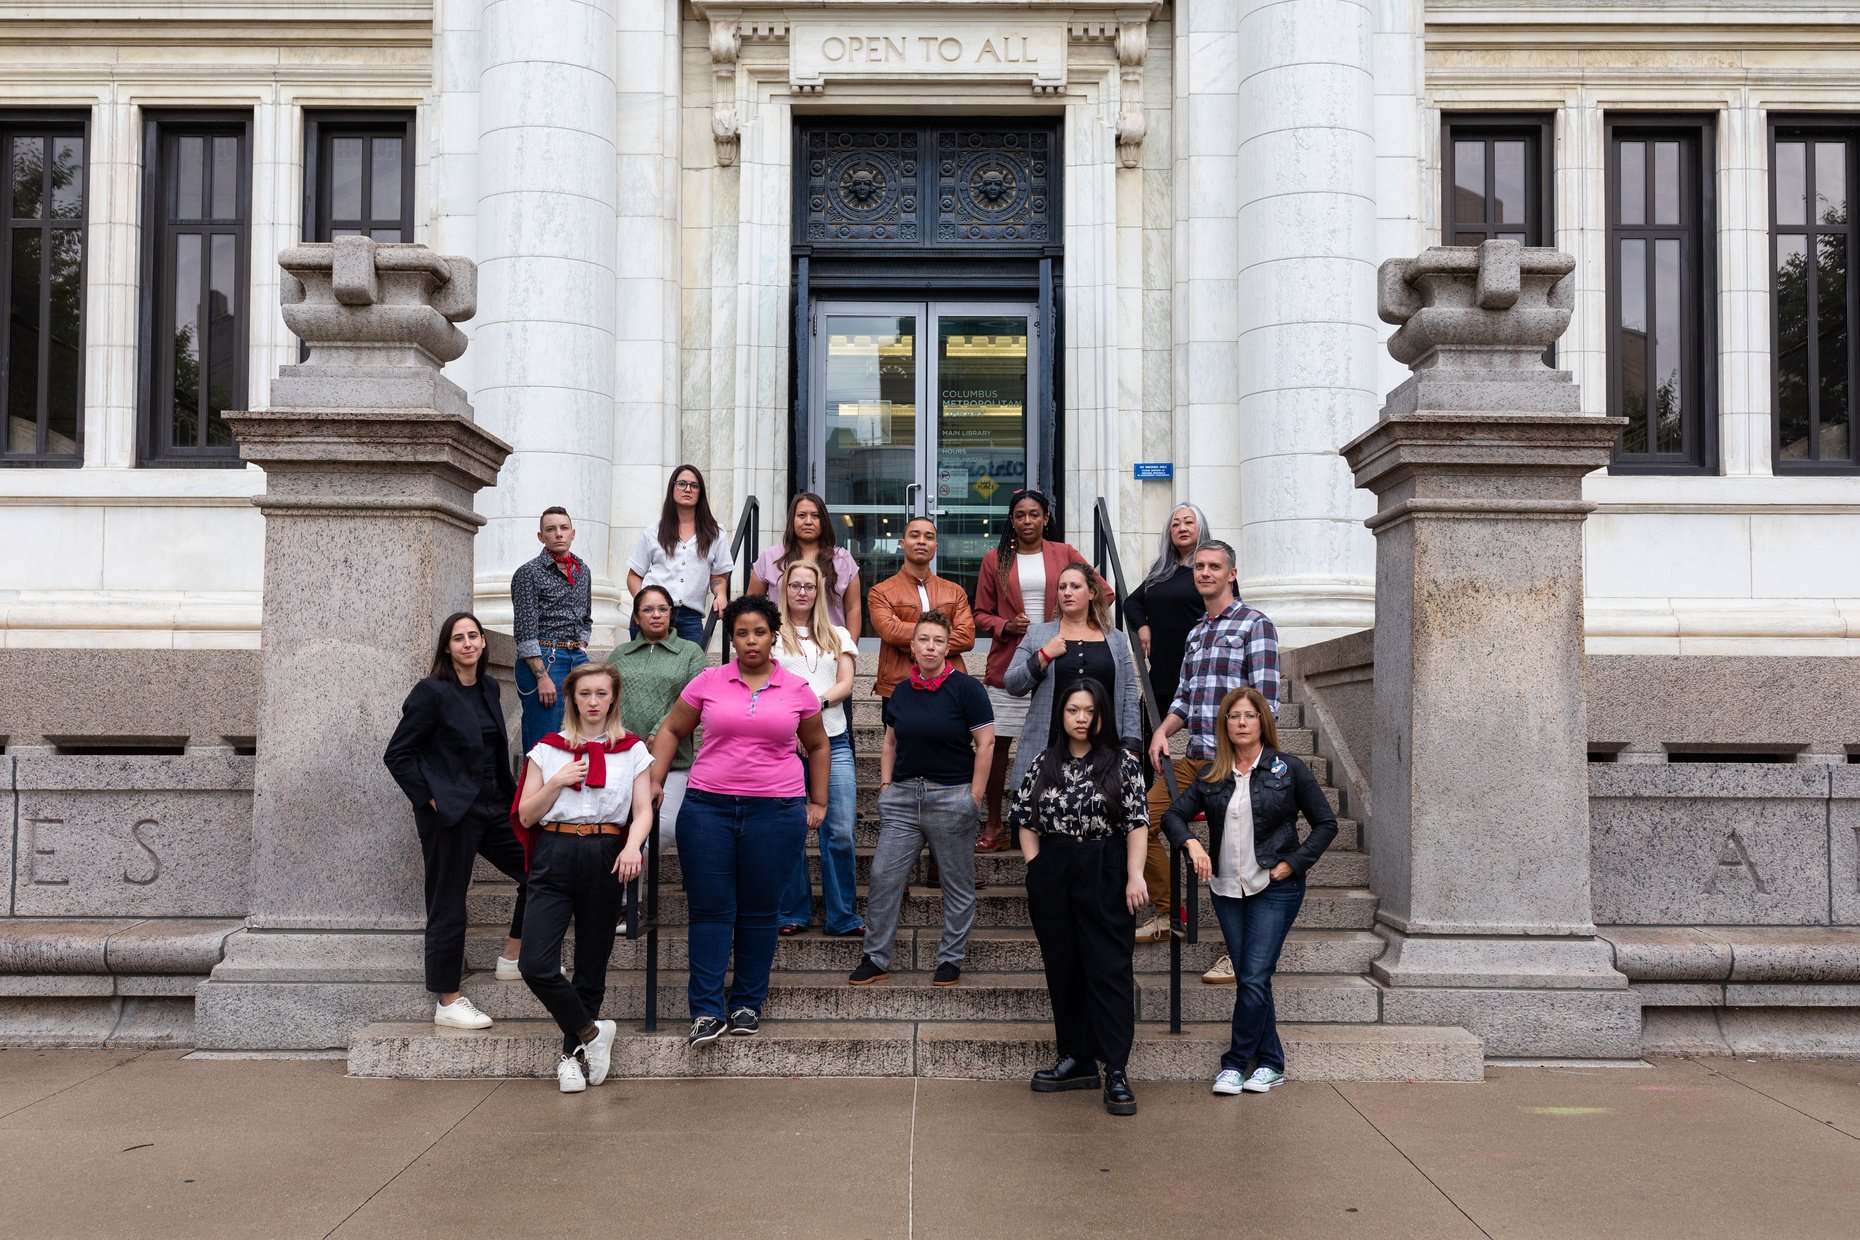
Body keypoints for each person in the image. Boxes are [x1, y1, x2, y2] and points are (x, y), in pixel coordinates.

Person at [649, 595, 831, 1047]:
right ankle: (707, 1011)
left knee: (760, 911)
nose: (751, 641)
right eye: (742, 633)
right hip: (707, 809)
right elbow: (672, 729)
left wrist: (819, 802)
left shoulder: (797, 689)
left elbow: (819, 746)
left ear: (774, 636)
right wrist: (653, 782)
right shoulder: (708, 681)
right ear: (731, 638)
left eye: (760, 632)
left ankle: (748, 1002)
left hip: (777, 812)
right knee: (710, 910)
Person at [1162, 685, 1335, 1096]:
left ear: (1263, 722)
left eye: (1249, 715)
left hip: (1273, 888)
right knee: (1251, 978)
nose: (1241, 722)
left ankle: (1236, 1064)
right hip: (1226, 889)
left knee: (1254, 976)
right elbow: (1172, 816)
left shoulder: (1287, 769)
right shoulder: (1212, 774)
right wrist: (1191, 843)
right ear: (1225, 724)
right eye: (1234, 716)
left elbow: (1326, 824)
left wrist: (1293, 862)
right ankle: (1272, 1063)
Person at [1008, 678, 1149, 1117]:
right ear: (1061, 715)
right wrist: (1036, 869)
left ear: (1101, 715)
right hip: (1054, 870)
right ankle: (1076, 1057)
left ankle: (1117, 1069)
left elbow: (1137, 822)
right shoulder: (1043, 761)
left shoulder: (1121, 763)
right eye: (1073, 710)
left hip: (1105, 869)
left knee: (1108, 969)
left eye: (1089, 711)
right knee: (1064, 968)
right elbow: (1025, 819)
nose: (1082, 718)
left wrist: (1134, 876)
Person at [513, 662, 654, 1093]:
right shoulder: (547, 750)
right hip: (555, 853)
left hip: (605, 854)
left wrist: (633, 847)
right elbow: (525, 814)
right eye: (585, 693)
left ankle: (571, 1056)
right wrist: (555, 782)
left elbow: (643, 809)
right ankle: (593, 1033)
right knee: (534, 963)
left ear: (613, 698)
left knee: (591, 965)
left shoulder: (632, 751)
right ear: (572, 697)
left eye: (601, 694)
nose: (593, 702)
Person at [383, 612, 528, 1031]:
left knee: (539, 871)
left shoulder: (487, 687)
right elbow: (398, 754)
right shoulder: (431, 692)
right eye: (458, 638)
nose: (467, 643)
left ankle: (513, 957)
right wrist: (430, 797)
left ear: (483, 643)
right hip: (449, 813)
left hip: (494, 806)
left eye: (474, 636)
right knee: (448, 903)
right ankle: (448, 999)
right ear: (447, 647)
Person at [1142, 540, 1281, 963]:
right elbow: (1184, 699)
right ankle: (1173, 913)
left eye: (1214, 566)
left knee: (1232, 856)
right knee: (1140, 822)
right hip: (1194, 760)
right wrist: (1161, 731)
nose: (1204, 573)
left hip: (1235, 762)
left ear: (1231, 574)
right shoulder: (1197, 632)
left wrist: (1244, 759)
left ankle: (1238, 952)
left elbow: (1266, 705)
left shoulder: (1255, 625)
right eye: (1199, 566)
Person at [848, 610, 994, 988]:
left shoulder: (967, 689)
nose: (931, 647)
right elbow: (890, 743)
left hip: (951, 796)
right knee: (883, 875)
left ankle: (950, 958)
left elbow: (986, 743)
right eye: (924, 640)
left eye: (938, 641)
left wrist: (974, 797)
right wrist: (884, 787)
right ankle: (876, 956)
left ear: (948, 647)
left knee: (956, 882)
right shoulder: (900, 690)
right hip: (902, 799)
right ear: (912, 647)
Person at [972, 488, 1110, 851]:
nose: (1027, 521)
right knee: (997, 744)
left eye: (1034, 514)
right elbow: (979, 614)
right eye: (1020, 515)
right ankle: (995, 822)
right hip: (1010, 663)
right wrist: (1006, 626)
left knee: (1052, 742)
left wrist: (1070, 622)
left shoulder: (1063, 553)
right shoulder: (995, 559)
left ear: (1046, 518)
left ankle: (1044, 817)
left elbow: (1103, 591)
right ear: (1012, 520)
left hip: (1059, 661)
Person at [1125, 503, 1216, 961]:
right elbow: (1131, 600)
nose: (1182, 527)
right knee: (1144, 792)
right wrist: (1141, 627)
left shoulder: (1212, 583)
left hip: (1205, 698)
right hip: (1165, 680)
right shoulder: (1161, 573)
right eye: (1175, 522)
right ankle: (1165, 908)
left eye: (1189, 521)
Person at [771, 562, 864, 938]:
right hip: (785, 744)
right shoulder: (773, 635)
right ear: (785, 589)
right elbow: (767, 683)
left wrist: (813, 706)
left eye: (809, 586)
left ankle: (842, 915)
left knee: (839, 829)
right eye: (795, 585)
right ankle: (793, 910)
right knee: (791, 830)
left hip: (834, 740)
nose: (802, 592)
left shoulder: (839, 634)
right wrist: (791, 722)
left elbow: (846, 683)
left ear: (819, 592)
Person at [1002, 563, 1140, 795]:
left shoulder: (1115, 639)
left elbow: (1128, 693)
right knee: (1038, 819)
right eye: (1062, 587)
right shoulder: (1038, 634)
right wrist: (1044, 655)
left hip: (1104, 750)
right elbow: (1012, 684)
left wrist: (1131, 746)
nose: (1067, 592)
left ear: (1092, 593)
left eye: (1075, 586)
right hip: (1048, 748)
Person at [608, 584, 707, 854]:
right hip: (622, 757)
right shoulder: (620, 654)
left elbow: (694, 699)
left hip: (673, 759)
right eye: (648, 610)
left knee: (664, 828)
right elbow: (606, 698)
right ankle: (625, 895)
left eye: (663, 609)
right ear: (636, 617)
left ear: (671, 614)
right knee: (618, 826)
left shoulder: (690, 653)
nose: (656, 615)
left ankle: (626, 873)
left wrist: (660, 728)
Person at [866, 516, 975, 701]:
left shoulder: (954, 592)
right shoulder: (881, 592)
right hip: (900, 686)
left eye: (929, 537)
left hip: (950, 685)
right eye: (914, 536)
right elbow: (890, 632)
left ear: (936, 545)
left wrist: (909, 637)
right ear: (902, 543)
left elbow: (967, 637)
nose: (922, 541)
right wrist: (944, 633)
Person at [511, 506, 593, 752]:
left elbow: (586, 617)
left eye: (563, 528)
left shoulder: (582, 570)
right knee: (543, 742)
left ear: (573, 533)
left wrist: (582, 646)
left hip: (576, 658)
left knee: (577, 735)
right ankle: (534, 790)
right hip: (545, 660)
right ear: (541, 536)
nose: (558, 534)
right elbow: (525, 631)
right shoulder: (528, 573)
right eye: (551, 529)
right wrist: (541, 676)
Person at [627, 464, 733, 645]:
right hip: (652, 614)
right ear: (672, 488)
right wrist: (643, 604)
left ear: (701, 492)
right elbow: (634, 575)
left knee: (693, 672)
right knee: (646, 670)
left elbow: (718, 576)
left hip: (689, 618)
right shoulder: (653, 532)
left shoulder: (716, 534)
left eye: (694, 485)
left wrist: (721, 594)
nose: (688, 489)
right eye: (682, 484)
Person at [748, 491, 864, 638]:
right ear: (792, 520)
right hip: (781, 647)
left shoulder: (843, 559)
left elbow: (854, 609)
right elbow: (751, 606)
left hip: (830, 647)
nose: (808, 521)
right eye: (801, 515)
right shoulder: (770, 557)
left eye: (815, 516)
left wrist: (850, 650)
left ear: (824, 521)